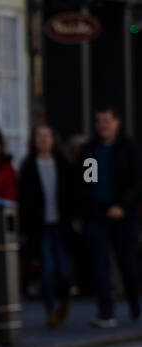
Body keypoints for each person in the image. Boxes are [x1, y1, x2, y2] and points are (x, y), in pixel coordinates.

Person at [73, 104, 142, 328]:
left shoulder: (128, 149)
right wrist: (82, 213)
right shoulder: (91, 151)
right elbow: (87, 182)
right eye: (99, 121)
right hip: (97, 214)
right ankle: (106, 312)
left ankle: (134, 304)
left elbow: (136, 182)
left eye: (106, 120)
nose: (102, 125)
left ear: (116, 122)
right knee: (99, 264)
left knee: (127, 263)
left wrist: (123, 205)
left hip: (123, 215)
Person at [18, 123, 75, 327]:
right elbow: (23, 200)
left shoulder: (64, 164)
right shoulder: (28, 167)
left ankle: (65, 300)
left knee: (64, 270)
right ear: (34, 140)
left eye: (47, 136)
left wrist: (77, 217)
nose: (43, 140)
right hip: (40, 226)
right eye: (39, 136)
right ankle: (50, 309)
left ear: (53, 140)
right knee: (47, 270)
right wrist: (23, 228)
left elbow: (74, 191)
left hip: (61, 224)